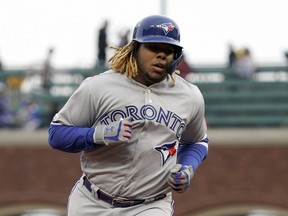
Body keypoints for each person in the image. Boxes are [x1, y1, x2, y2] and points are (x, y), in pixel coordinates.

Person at [48, 15, 209, 216]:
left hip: (150, 205)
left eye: (168, 51)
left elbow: (198, 141)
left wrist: (187, 167)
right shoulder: (98, 86)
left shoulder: (189, 96)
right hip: (92, 201)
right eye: (153, 47)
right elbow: (57, 134)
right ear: (134, 48)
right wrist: (98, 135)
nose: (161, 55)